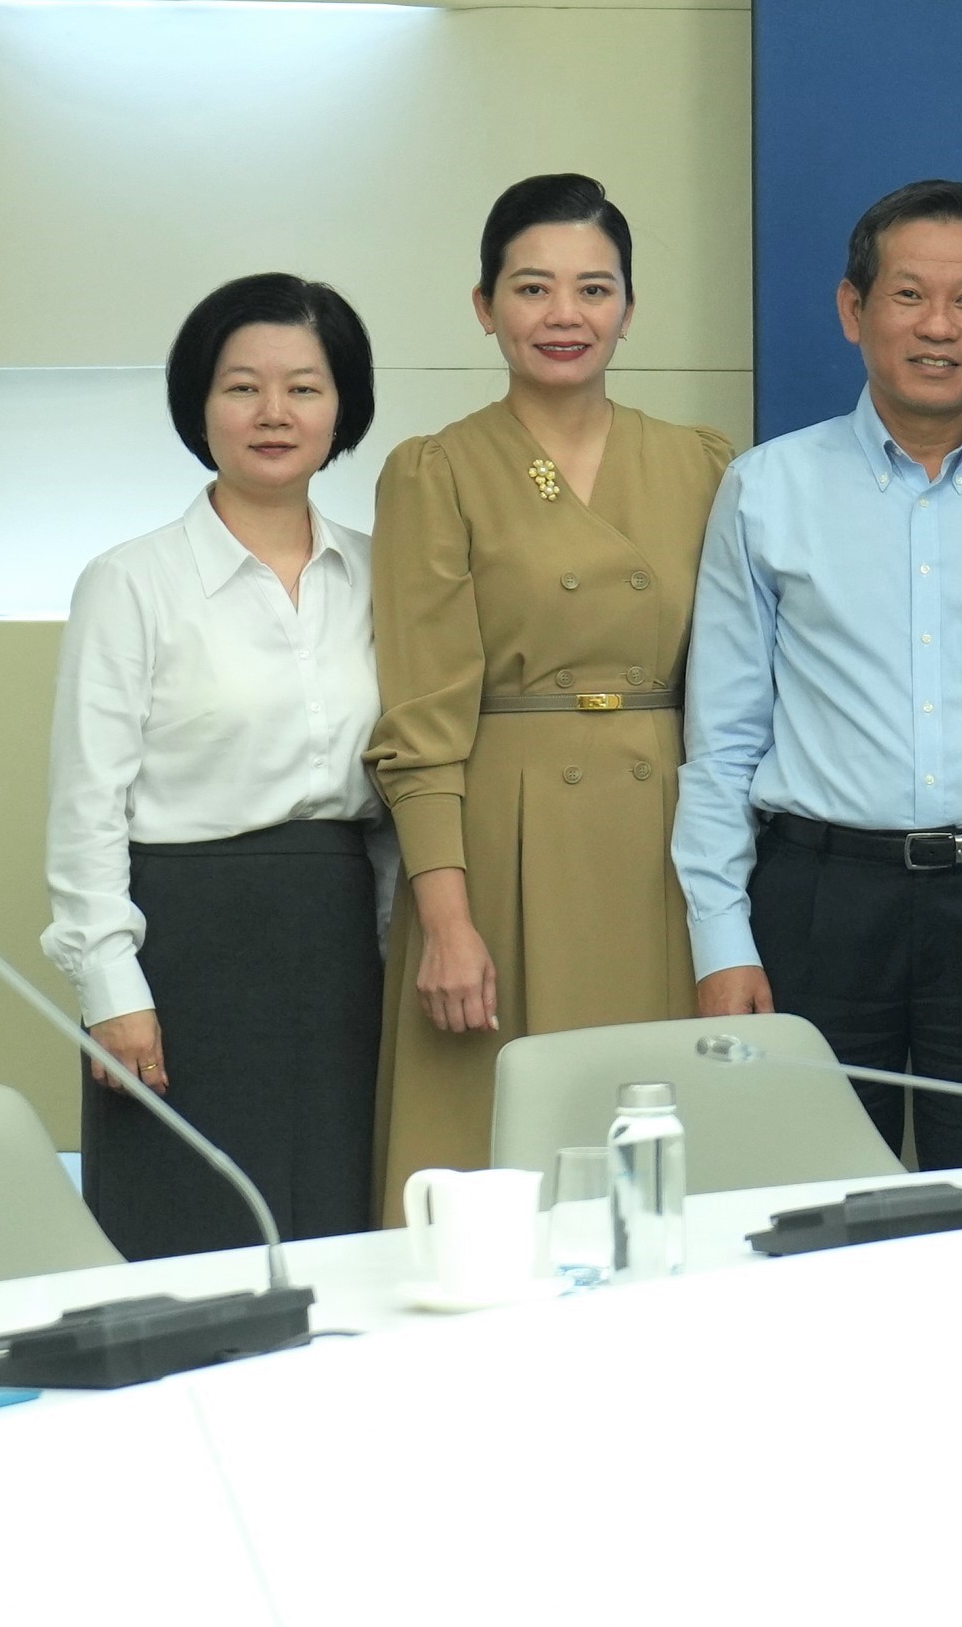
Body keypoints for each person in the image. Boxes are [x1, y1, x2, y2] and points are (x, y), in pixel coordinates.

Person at [682, 181, 962, 1168]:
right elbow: (721, 741)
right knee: (810, 1206)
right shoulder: (766, 488)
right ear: (854, 309)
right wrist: (722, 939)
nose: (939, 326)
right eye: (909, 295)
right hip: (817, 904)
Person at [366, 175, 733, 1196]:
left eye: (593, 288)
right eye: (532, 288)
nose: (564, 315)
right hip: (501, 847)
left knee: (658, 1152)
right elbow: (420, 718)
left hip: (665, 841)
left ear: (629, 307)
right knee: (498, 1159)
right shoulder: (440, 469)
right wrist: (447, 920)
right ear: (485, 306)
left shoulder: (700, 463)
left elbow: (737, 695)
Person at [43, 276, 389, 1251]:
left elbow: (402, 787)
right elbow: (86, 806)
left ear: (344, 406)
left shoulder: (386, 572)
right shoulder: (130, 581)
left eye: (304, 387)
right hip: (186, 949)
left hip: (343, 946)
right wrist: (111, 989)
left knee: (338, 1230)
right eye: (243, 387)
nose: (274, 412)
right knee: (185, 1237)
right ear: (199, 404)